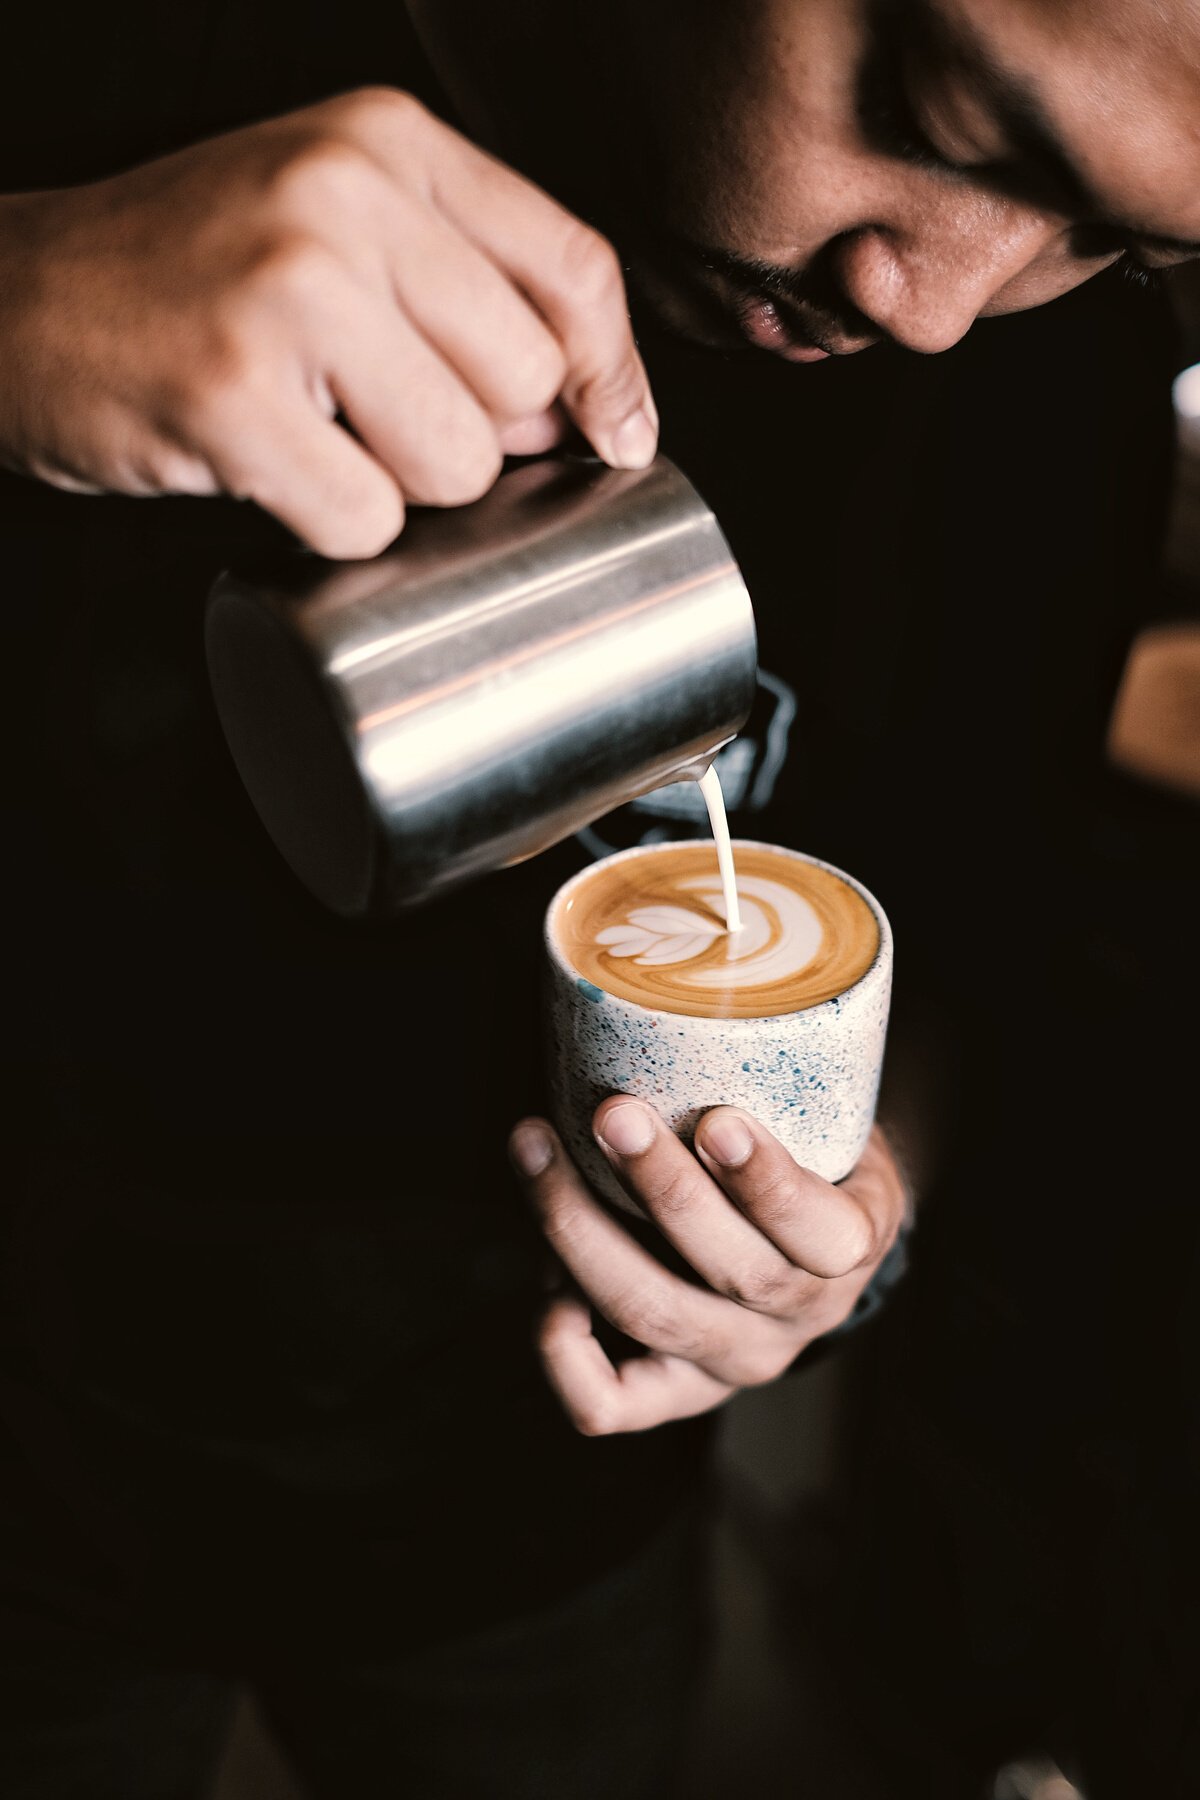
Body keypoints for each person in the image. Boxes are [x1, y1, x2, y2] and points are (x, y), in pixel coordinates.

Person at [0, 3, 1194, 1794]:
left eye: (1115, 235)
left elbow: (967, 929)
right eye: (957, 119)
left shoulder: (1050, 393)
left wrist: (858, 1227)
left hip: (539, 1521)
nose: (935, 296)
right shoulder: (107, 76)